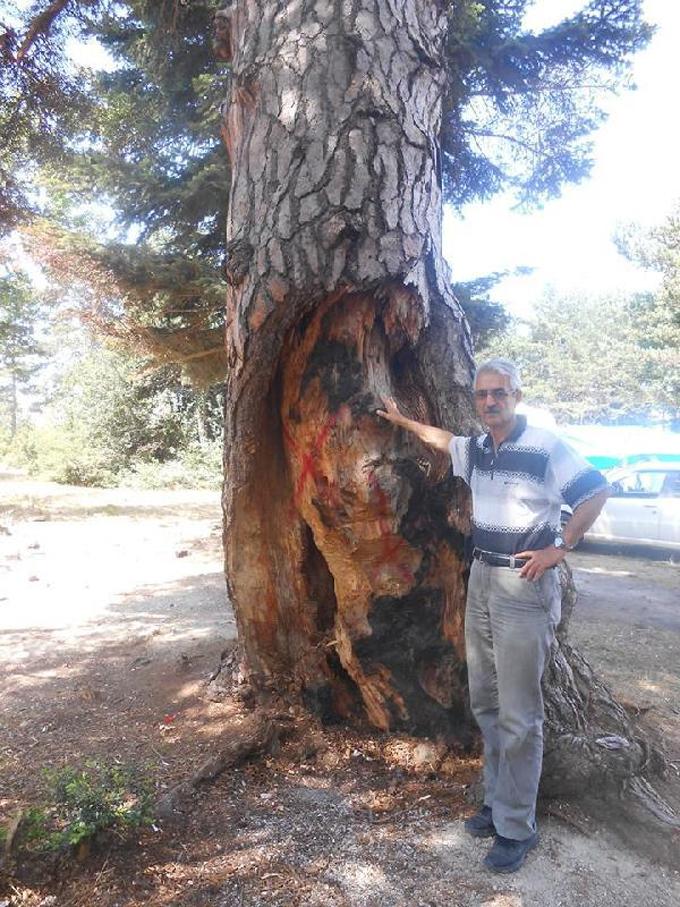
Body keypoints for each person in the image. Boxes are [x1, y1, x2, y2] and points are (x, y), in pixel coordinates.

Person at [377, 358, 608, 873]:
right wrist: (399, 421)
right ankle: (495, 801)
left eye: (500, 393)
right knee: (485, 699)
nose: (490, 402)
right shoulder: (478, 447)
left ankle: (516, 827)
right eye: (482, 394)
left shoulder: (546, 447)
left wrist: (560, 547)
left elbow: (596, 490)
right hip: (481, 579)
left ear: (517, 396)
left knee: (520, 713)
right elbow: (442, 440)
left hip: (524, 585)